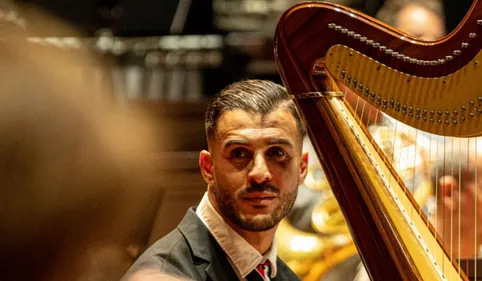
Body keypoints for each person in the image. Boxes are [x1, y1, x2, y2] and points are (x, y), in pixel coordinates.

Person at [122, 79, 309, 281]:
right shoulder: (162, 274)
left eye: (277, 152)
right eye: (239, 153)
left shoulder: (286, 277)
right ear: (207, 168)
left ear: (302, 168)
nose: (259, 173)